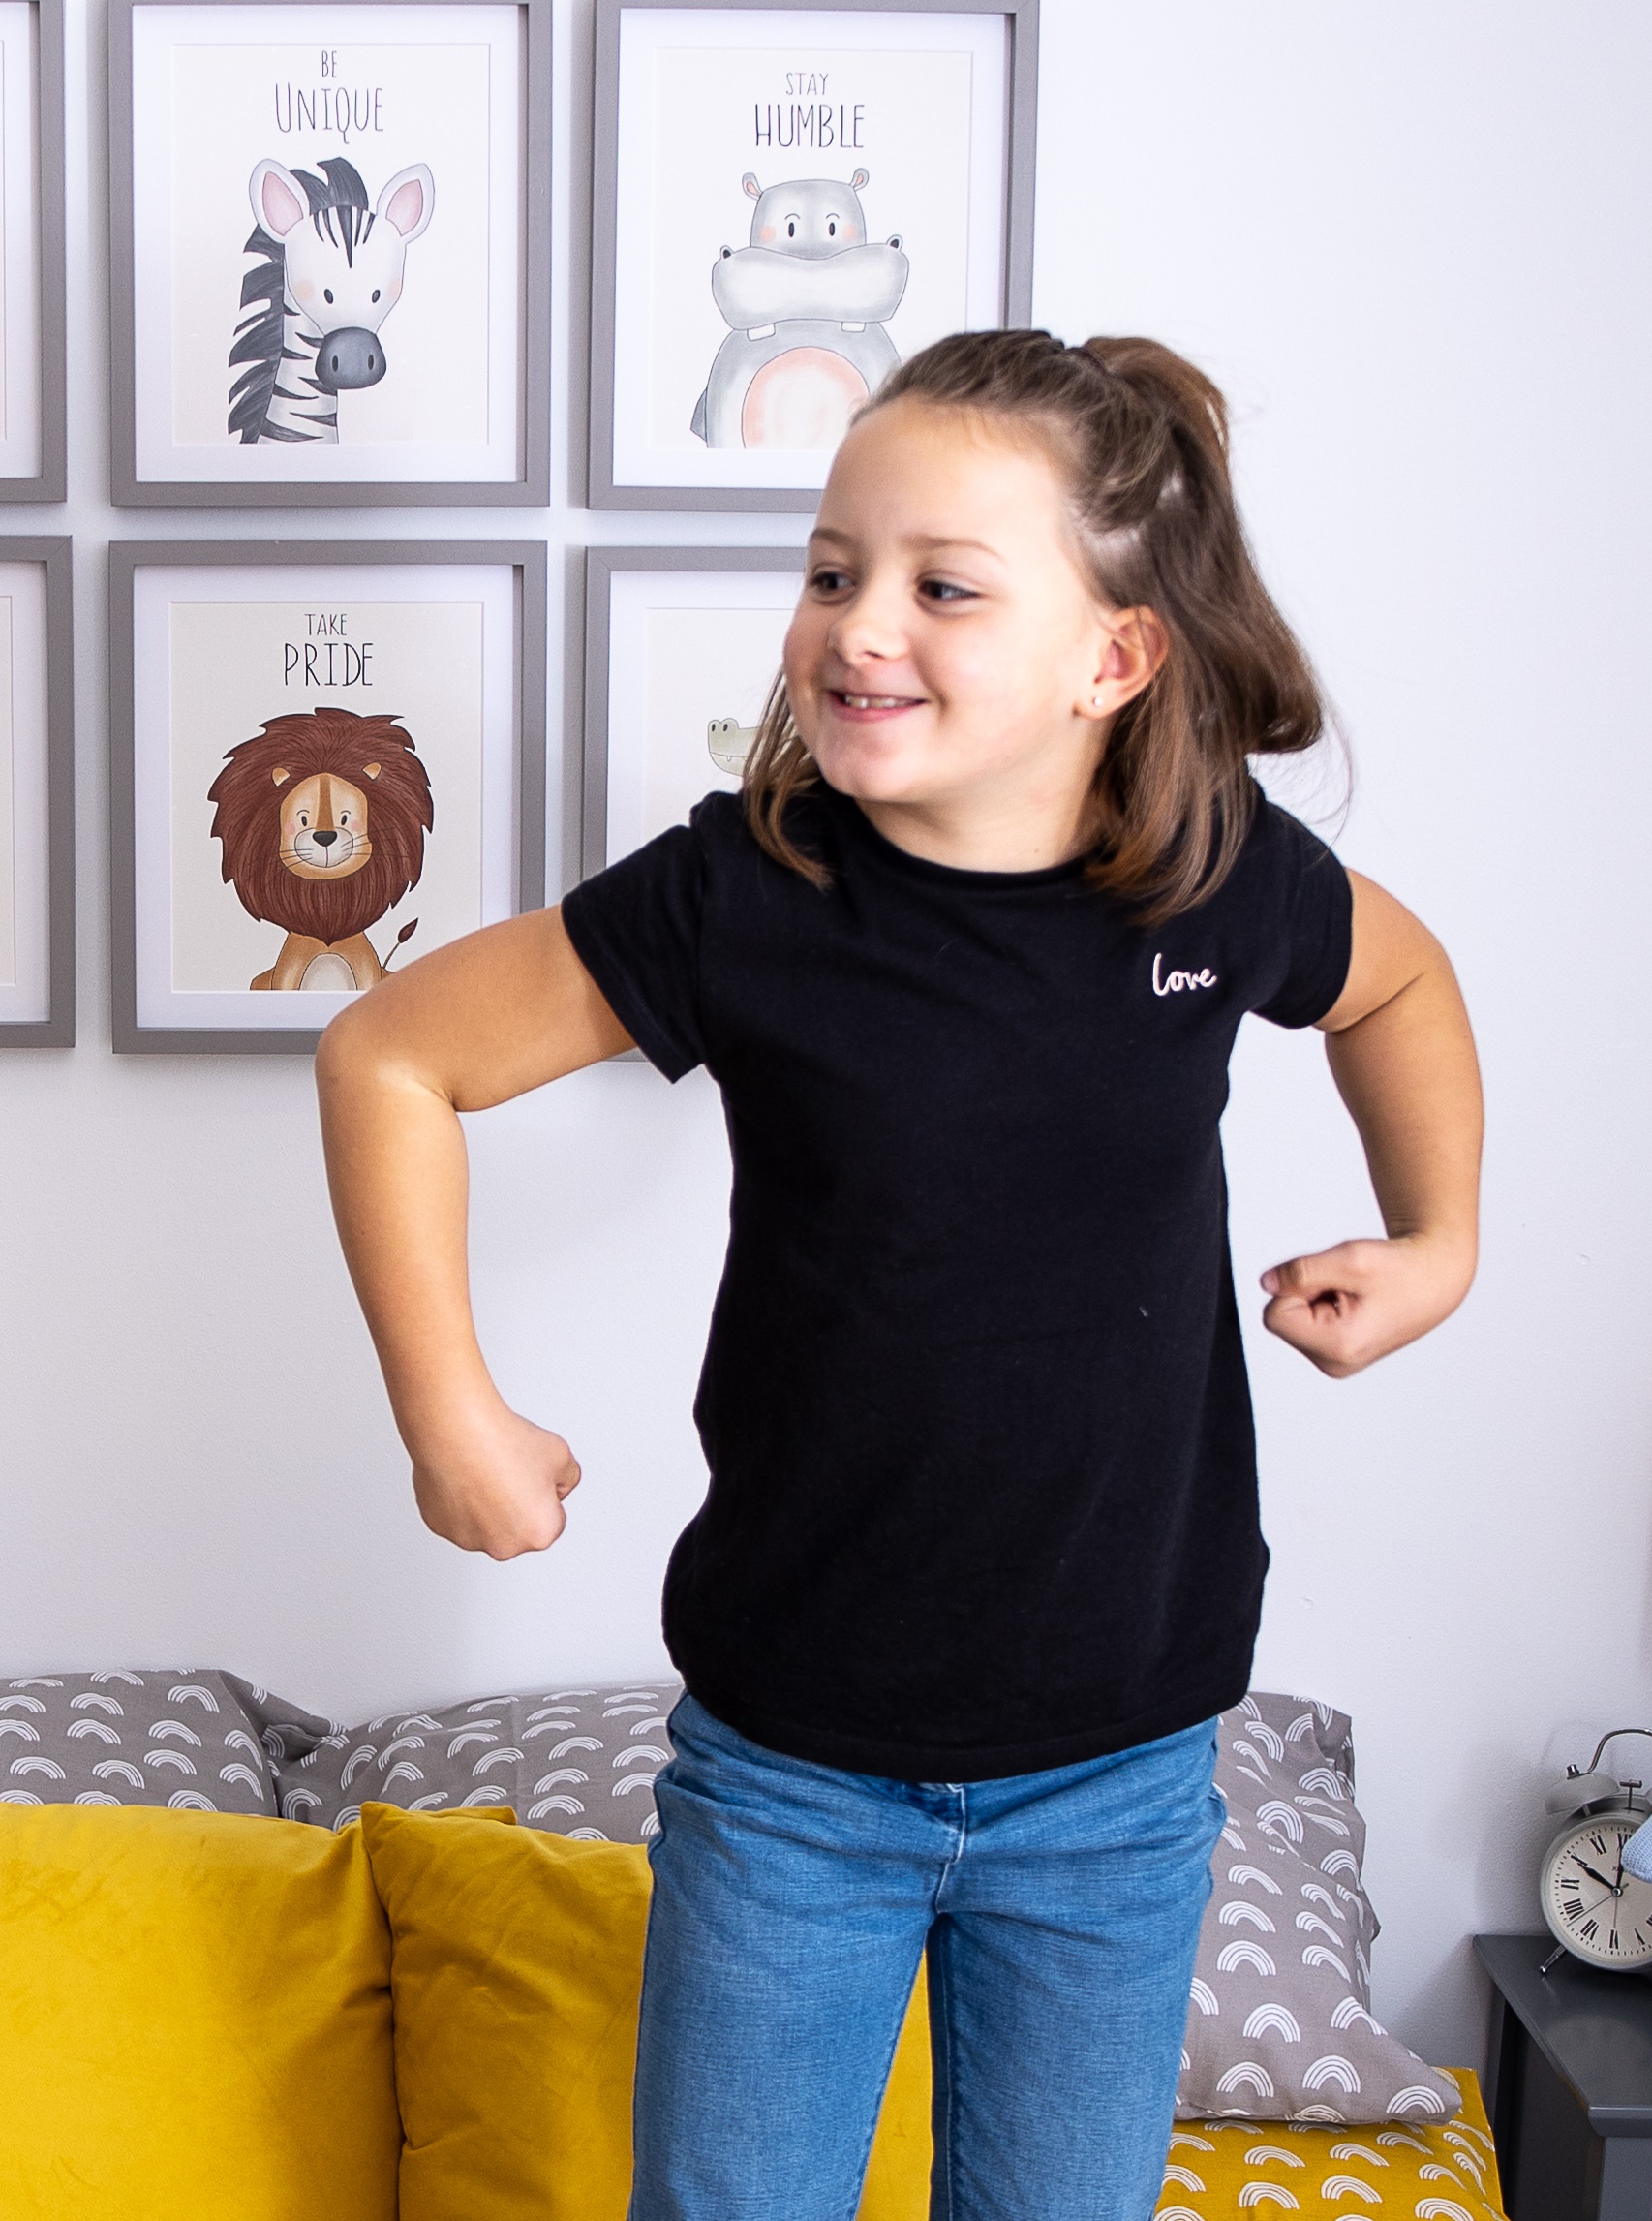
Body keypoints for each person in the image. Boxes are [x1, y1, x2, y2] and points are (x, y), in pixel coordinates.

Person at [312, 330, 1483, 2220]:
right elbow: (387, 1055)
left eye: (939, 586)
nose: (857, 625)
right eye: (829, 569)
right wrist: (448, 1409)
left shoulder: (1214, 885)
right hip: (793, 1787)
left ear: (1111, 658)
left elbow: (1399, 983)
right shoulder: (741, 896)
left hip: (1115, 1776)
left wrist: (1434, 1244)